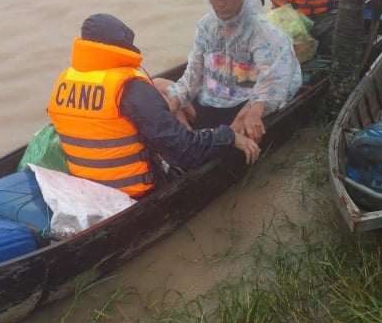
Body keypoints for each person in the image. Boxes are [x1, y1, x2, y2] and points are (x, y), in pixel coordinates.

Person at [47, 13, 260, 198]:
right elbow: (184, 151)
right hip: (135, 190)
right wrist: (228, 137)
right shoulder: (130, 89)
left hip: (88, 186)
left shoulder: (64, 83)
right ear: (123, 46)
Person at [160, 0, 303, 143]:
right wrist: (173, 103)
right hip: (210, 98)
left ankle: (225, 139)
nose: (220, 3)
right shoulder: (206, 25)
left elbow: (273, 81)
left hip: (243, 103)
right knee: (157, 86)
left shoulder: (264, 32)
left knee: (249, 117)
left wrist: (256, 111)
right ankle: (189, 137)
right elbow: (193, 73)